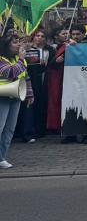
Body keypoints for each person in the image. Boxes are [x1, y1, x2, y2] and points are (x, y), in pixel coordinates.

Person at [0, 35, 32, 169]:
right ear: (6, 46)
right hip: (2, 96)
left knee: (10, 129)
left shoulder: (18, 60)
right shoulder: (2, 60)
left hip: (16, 95)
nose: (18, 45)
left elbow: (25, 77)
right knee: (1, 127)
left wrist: (29, 94)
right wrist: (21, 59)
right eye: (14, 42)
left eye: (19, 42)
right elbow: (11, 72)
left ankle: (2, 158)